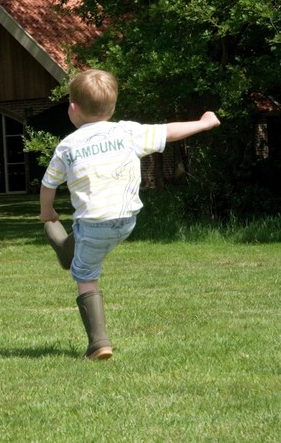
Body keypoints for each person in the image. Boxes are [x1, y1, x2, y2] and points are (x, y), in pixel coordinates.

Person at [39, 69, 220, 360]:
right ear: (111, 107)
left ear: (72, 108)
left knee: (85, 274)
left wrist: (47, 213)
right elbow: (169, 131)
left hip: (92, 223)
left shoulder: (67, 146)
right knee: (85, 246)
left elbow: (48, 185)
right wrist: (203, 123)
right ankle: (65, 249)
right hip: (126, 222)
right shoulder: (126, 132)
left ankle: (98, 343)